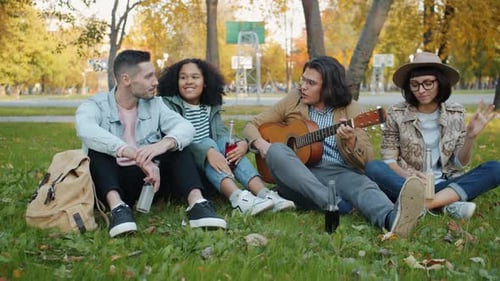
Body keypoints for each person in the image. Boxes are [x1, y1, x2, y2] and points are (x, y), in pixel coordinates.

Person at [242, 55, 425, 237]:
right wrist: (261, 144)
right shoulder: (294, 99)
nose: (303, 86)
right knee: (276, 150)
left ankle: (391, 219)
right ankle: (337, 203)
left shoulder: (351, 109)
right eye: (303, 80)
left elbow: (367, 161)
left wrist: (351, 141)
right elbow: (252, 125)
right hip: (296, 177)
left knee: (362, 186)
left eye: (311, 83)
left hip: (338, 173)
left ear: (328, 87)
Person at [75, 50, 227, 238]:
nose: (155, 82)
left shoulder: (156, 104)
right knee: (96, 152)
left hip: (150, 181)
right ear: (126, 79)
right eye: (148, 77)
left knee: (178, 146)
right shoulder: (95, 105)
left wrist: (162, 145)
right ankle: (118, 209)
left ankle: (197, 204)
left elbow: (185, 128)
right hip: (109, 182)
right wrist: (130, 152)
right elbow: (86, 130)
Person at [365, 51, 499, 219]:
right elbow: (389, 160)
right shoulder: (397, 113)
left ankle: (424, 204)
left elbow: (459, 163)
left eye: (428, 83)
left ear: (440, 82)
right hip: (407, 184)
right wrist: (407, 175)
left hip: (445, 184)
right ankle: (446, 205)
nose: (421, 90)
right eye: (415, 84)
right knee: (373, 167)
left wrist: (470, 137)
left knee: (495, 168)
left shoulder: (456, 113)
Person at [157, 58, 295, 215]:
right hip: (187, 167)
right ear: (176, 82)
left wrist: (241, 144)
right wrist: (208, 151)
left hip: (213, 164)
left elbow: (221, 133)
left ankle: (265, 194)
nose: (188, 81)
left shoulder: (210, 105)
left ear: (205, 82)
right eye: (183, 77)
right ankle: (238, 198)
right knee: (210, 143)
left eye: (195, 77)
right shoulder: (169, 105)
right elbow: (177, 140)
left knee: (225, 142)